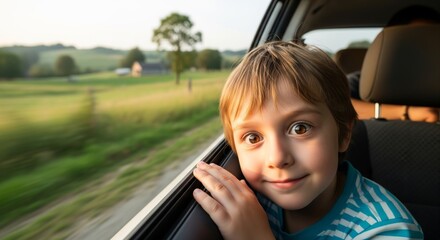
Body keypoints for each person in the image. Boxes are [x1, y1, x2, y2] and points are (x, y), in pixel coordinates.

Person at [192, 41, 423, 239]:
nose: (277, 158)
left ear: (343, 135)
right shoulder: (256, 201)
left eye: (300, 128)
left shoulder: (386, 231)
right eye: (253, 137)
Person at [348, 5, 440, 122]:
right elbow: (335, 107)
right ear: (394, 44)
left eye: (433, 42)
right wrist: (407, 112)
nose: (425, 50)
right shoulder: (369, 83)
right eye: (417, 41)